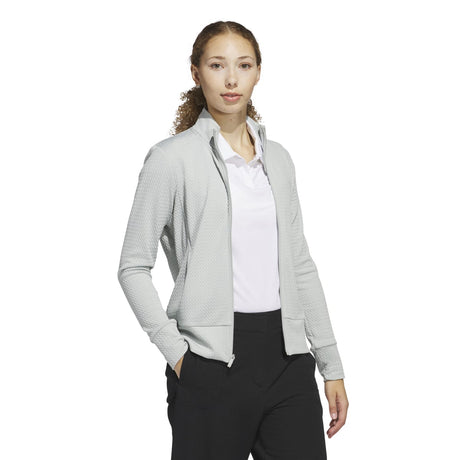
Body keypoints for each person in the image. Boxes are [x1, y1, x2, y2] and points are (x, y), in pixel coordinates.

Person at [117, 20, 349, 460]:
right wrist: (178, 355)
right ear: (196, 72)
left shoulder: (278, 160)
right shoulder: (170, 159)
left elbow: (300, 265)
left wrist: (330, 364)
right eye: (216, 65)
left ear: (258, 72)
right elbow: (132, 266)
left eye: (243, 65)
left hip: (287, 360)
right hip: (210, 363)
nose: (230, 79)